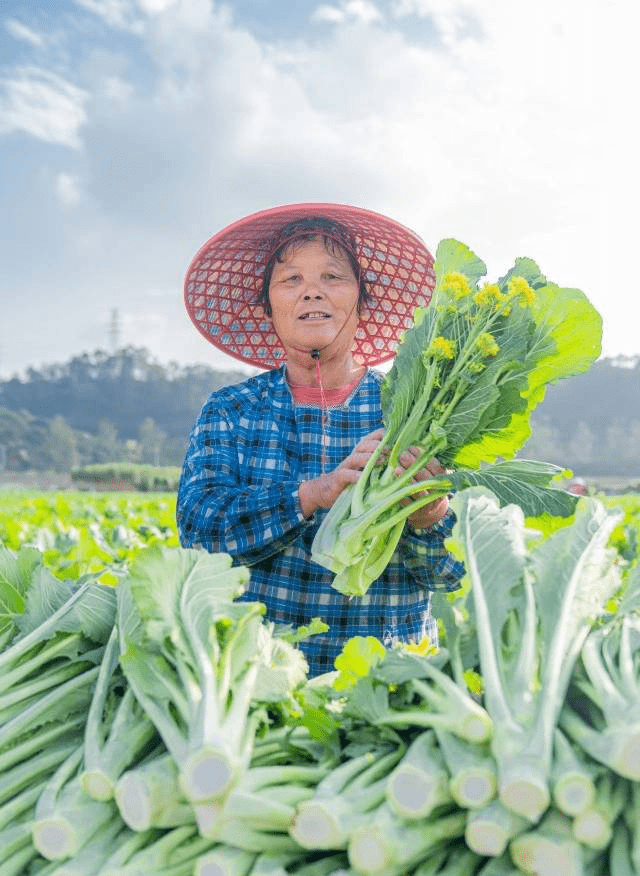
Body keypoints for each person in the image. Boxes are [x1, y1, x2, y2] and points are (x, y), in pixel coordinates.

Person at [177, 203, 465, 676]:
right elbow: (200, 532)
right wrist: (313, 494)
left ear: (363, 301)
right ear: (268, 306)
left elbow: (451, 573)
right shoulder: (231, 410)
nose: (312, 291)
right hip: (254, 680)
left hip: (390, 681)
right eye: (291, 280)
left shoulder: (415, 412)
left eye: (333, 277)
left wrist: (429, 518)